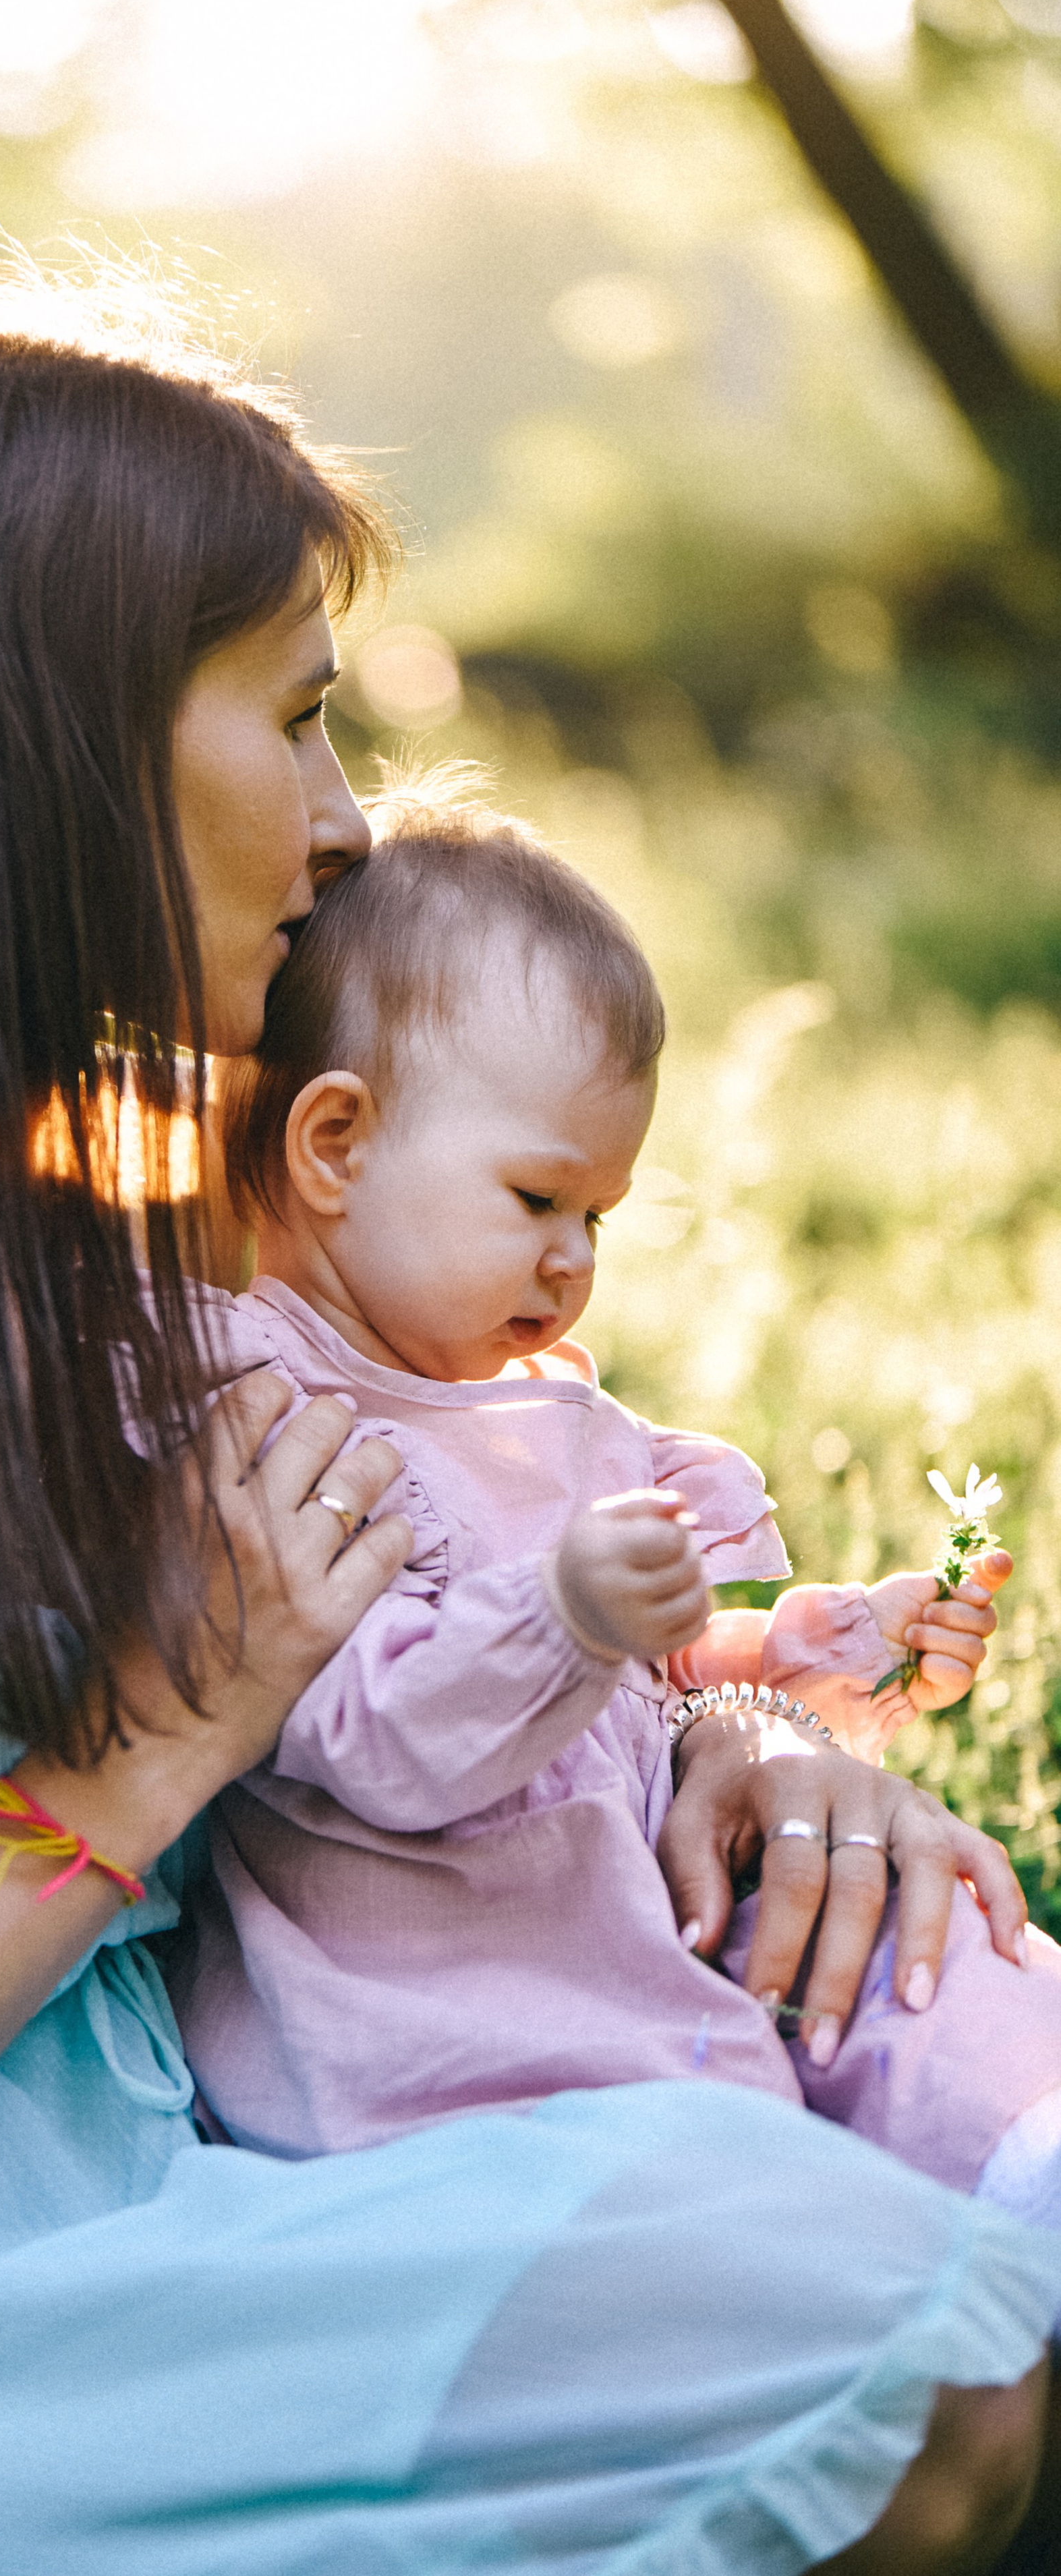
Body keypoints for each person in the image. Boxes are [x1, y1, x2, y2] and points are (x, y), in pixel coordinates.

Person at [0, 274, 1061, 2575]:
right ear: (50, 737)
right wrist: (133, 1765)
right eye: (291, 716)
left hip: (244, 2215)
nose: (347, 818)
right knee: (892, 2329)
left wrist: (728, 1746)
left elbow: (476, 1578)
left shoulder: (135, 1250)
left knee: (977, 2246)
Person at [171, 805, 1061, 2231]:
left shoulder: (558, 1424)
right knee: (790, 2238)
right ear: (333, 1143)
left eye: (602, 1215)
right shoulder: (256, 1413)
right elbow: (371, 1741)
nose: (573, 1260)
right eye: (535, 1198)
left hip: (642, 2004)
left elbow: (655, 1688)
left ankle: (1019, 2147)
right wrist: (566, 1612)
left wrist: (807, 1648)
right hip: (446, 2070)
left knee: (940, 1943)